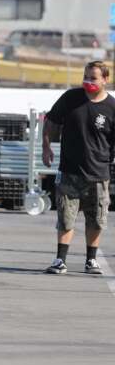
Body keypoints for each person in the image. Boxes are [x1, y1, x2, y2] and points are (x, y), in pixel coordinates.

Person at [42, 60, 115, 275]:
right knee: (65, 217)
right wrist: (46, 147)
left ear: (105, 80)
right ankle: (59, 260)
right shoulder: (70, 98)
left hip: (99, 173)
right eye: (85, 76)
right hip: (70, 171)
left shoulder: (111, 108)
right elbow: (50, 122)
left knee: (97, 219)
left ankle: (91, 260)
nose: (88, 81)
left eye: (93, 78)